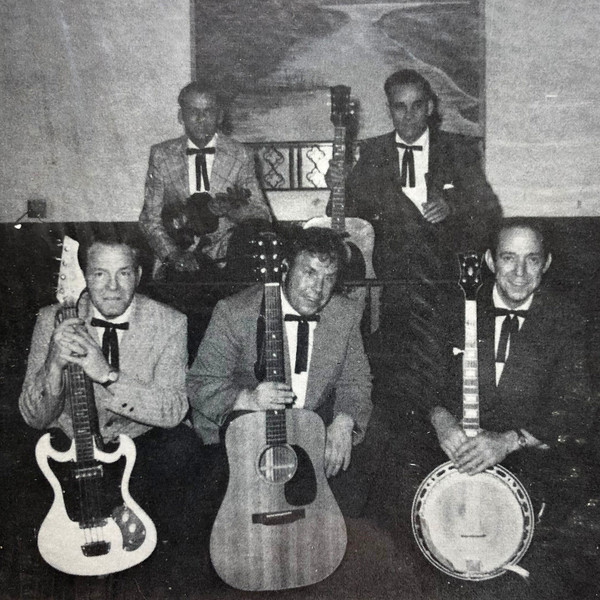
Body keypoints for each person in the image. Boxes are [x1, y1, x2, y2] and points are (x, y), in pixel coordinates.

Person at [373, 220, 596, 599]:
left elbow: (575, 407)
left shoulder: (569, 320)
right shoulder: (451, 309)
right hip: (450, 448)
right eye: (509, 258)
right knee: (395, 498)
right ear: (490, 261)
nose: (520, 272)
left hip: (526, 455)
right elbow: (413, 380)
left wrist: (509, 440)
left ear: (546, 263)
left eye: (532, 259)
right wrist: (440, 419)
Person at [17, 230, 205, 596]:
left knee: (183, 448)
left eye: (124, 273)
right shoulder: (51, 319)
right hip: (69, 448)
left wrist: (106, 374)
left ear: (139, 274)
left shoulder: (170, 322)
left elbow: (173, 409)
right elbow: (34, 417)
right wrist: (53, 365)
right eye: (100, 274)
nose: (113, 287)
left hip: (137, 444)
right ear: (84, 277)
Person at [329, 69, 502, 429]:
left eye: (416, 106)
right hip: (391, 286)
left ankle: (437, 418)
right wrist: (337, 187)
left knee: (440, 369)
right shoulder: (372, 153)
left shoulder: (458, 149)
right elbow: (344, 218)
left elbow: (489, 211)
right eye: (399, 107)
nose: (408, 116)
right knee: (397, 374)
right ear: (389, 109)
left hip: (445, 283)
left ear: (431, 107)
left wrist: (453, 207)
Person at [187, 226, 374, 518]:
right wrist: (246, 399)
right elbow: (200, 383)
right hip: (242, 433)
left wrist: (345, 420)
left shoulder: (344, 314)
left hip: (307, 429)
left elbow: (356, 381)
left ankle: (336, 532)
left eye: (328, 278)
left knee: (371, 444)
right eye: (309, 272)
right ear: (285, 267)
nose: (318, 289)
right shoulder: (235, 313)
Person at [139, 81, 272, 281]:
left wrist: (230, 210)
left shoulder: (241, 155)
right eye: (193, 111)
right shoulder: (161, 155)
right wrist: (173, 255)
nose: (201, 118)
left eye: (208, 111)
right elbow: (150, 218)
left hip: (227, 261)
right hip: (177, 260)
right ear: (180, 116)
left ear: (220, 116)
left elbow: (261, 214)